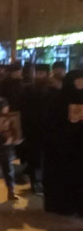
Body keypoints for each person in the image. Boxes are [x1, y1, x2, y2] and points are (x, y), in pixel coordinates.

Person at [42, 69, 83, 215]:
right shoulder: (58, 100)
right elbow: (50, 124)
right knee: (63, 177)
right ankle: (63, 205)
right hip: (62, 148)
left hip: (79, 147)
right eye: (78, 81)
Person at [20, 64, 51, 194]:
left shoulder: (52, 91)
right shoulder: (28, 90)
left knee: (46, 158)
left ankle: (43, 181)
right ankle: (35, 182)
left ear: (47, 75)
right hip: (31, 129)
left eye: (42, 74)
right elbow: (21, 108)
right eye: (37, 73)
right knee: (34, 157)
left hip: (48, 130)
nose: (39, 76)